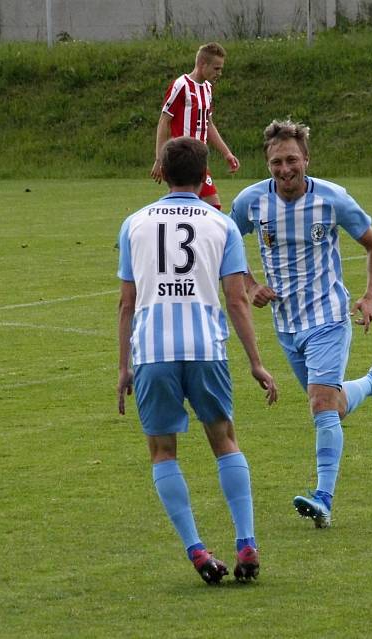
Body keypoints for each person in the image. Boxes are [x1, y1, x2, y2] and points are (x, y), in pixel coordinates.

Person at [117, 136, 277, 585]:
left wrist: (123, 367)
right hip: (206, 348)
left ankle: (197, 551)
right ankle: (246, 542)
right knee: (225, 439)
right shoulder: (221, 225)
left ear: (162, 172)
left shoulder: (134, 223)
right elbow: (237, 300)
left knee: (162, 451)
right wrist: (256, 362)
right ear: (204, 174)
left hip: (152, 353)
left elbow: (126, 304)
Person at [229, 119, 372, 530]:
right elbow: (227, 247)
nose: (285, 169)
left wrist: (371, 295)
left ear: (306, 158)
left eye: (292, 159)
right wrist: (251, 285)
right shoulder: (250, 202)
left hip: (328, 317)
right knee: (333, 406)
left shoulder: (332, 199)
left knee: (321, 405)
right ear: (267, 164)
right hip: (286, 325)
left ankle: (323, 498)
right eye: (276, 162)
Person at [150, 42, 239, 211]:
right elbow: (164, 121)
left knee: (190, 207)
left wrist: (227, 153)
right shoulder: (181, 85)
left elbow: (209, 124)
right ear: (202, 64)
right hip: (182, 157)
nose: (219, 73)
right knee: (212, 205)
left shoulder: (207, 88)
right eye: (216, 68)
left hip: (198, 157)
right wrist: (160, 158)